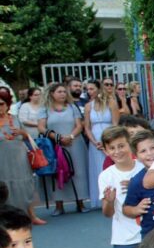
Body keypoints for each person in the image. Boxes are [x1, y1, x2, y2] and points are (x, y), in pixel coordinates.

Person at [38, 83, 90, 216]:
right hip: (55, 145)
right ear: (51, 94)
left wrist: (70, 136)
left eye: (64, 92)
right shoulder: (45, 109)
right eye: (59, 92)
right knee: (57, 172)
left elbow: (79, 125)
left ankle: (80, 202)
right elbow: (41, 127)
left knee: (77, 171)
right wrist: (56, 137)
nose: (62, 94)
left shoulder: (73, 107)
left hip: (74, 143)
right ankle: (59, 205)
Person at [98, 126, 143, 248]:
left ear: (130, 144)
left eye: (121, 145)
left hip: (149, 234)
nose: (117, 151)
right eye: (112, 148)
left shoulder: (145, 168)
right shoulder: (106, 176)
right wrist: (110, 201)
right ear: (106, 151)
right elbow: (107, 213)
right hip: (124, 240)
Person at [123, 131, 154, 239]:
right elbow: (126, 208)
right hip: (153, 237)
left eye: (153, 148)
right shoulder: (137, 181)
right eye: (143, 151)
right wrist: (136, 210)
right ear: (136, 157)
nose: (149, 153)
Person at [83, 79, 120, 206]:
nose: (89, 91)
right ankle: (101, 198)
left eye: (92, 88)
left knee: (111, 166)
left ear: (99, 89)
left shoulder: (111, 103)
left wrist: (108, 141)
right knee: (98, 169)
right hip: (95, 141)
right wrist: (94, 142)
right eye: (87, 89)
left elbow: (116, 124)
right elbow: (87, 127)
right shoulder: (88, 106)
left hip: (110, 139)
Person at [0, 95, 36, 219]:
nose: (0, 107)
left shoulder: (14, 118)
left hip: (19, 156)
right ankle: (8, 216)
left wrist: (20, 132)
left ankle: (31, 215)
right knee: (5, 184)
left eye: (1, 104)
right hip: (3, 158)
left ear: (7, 105)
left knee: (25, 183)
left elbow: (26, 135)